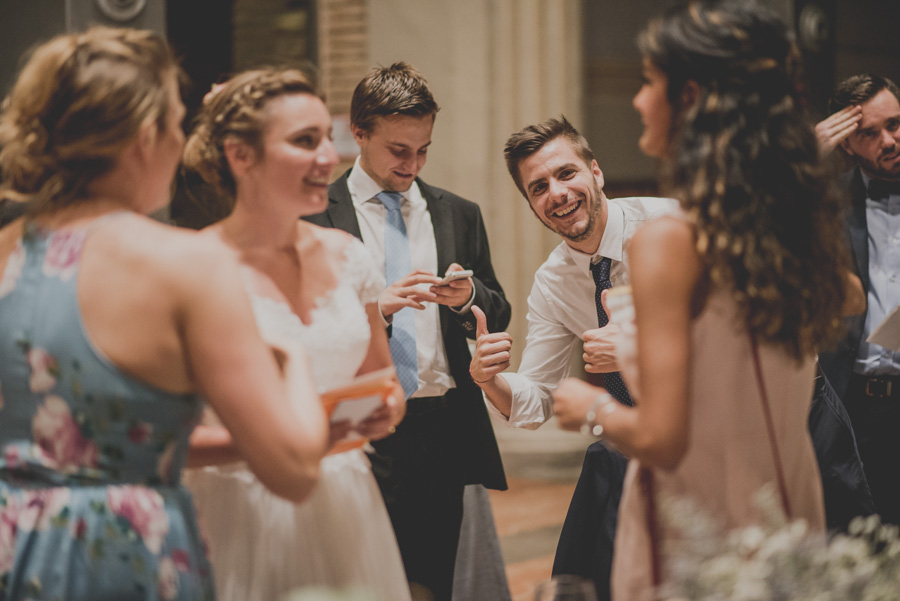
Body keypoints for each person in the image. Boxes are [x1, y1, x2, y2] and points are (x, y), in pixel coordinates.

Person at [0, 27, 328, 600]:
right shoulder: (185, 262)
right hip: (117, 555)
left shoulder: (6, 248)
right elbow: (293, 469)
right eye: (177, 124)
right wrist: (293, 357)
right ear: (145, 136)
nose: (181, 143)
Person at [551, 1, 855, 599]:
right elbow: (850, 297)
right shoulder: (789, 239)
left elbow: (663, 437)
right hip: (787, 505)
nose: (638, 99)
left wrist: (587, 405)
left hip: (696, 519)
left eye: (648, 81)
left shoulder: (669, 242)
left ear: (688, 97)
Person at [180, 68, 410, 601]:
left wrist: (386, 409)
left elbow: (383, 380)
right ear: (241, 156)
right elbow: (164, 437)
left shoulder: (348, 256)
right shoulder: (193, 269)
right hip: (238, 511)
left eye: (327, 138)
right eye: (304, 142)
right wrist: (285, 446)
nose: (328, 158)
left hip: (345, 502)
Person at [305, 62, 510, 601]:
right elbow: (302, 323)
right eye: (400, 150)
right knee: (361, 579)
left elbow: (499, 305)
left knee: (433, 580)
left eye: (423, 150)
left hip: (442, 424)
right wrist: (378, 309)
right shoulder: (314, 215)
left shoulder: (457, 213)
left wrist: (468, 298)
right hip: (360, 423)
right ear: (359, 133)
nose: (412, 164)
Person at [470, 116, 675, 600]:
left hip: (710, 435)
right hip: (633, 445)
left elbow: (739, 331)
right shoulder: (553, 282)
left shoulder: (671, 224)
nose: (556, 194)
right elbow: (535, 399)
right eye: (538, 187)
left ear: (596, 172)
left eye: (566, 174)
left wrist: (633, 345)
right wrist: (488, 379)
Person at [816, 74, 900, 527]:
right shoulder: (826, 203)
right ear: (847, 144)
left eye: (896, 124)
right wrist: (803, 161)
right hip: (854, 407)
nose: (889, 140)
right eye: (869, 133)